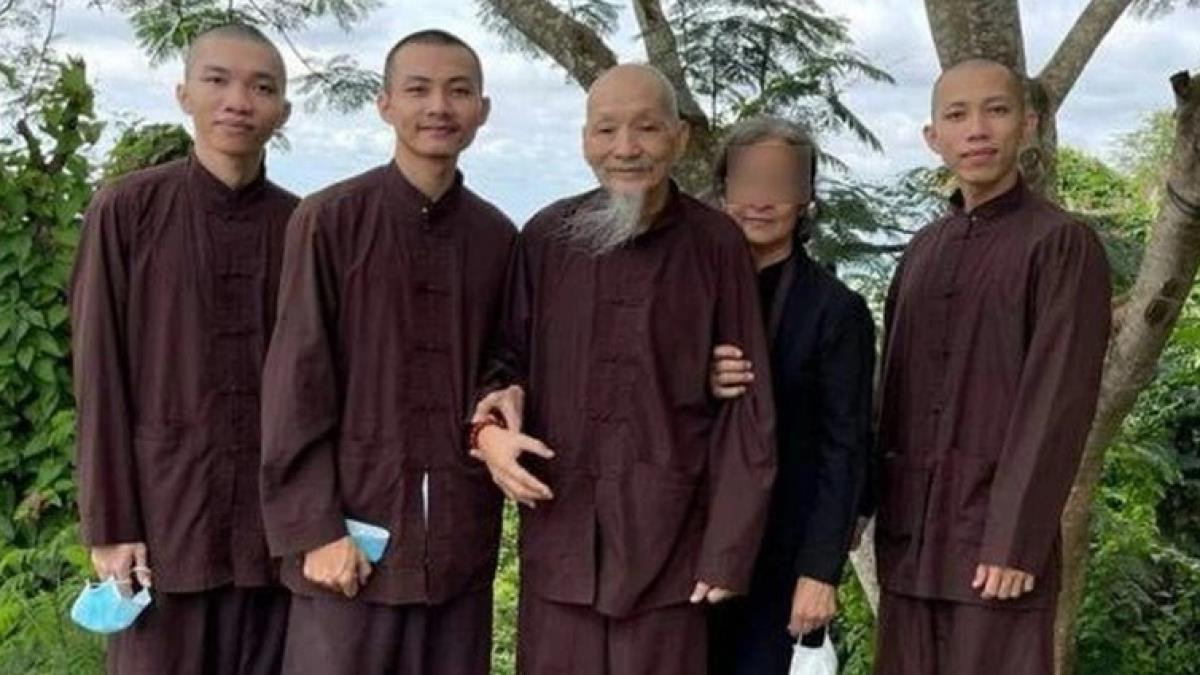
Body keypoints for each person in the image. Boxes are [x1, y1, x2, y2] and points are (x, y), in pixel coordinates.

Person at [471, 63, 776, 675]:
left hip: (671, 540)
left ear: (680, 137)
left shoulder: (716, 243)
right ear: (585, 139)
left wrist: (727, 548)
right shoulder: (547, 236)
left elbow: (749, 406)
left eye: (647, 128)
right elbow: (505, 361)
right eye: (606, 130)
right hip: (560, 529)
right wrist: (490, 433)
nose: (626, 148)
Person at [258, 29, 515, 674]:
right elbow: (296, 383)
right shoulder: (329, 220)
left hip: (456, 541)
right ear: (385, 104)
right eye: (418, 90)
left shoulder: (496, 236)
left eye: (459, 92)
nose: (439, 107)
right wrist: (316, 529)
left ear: (482, 110)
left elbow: (505, 362)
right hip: (348, 539)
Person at [871, 58, 1111, 674]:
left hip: (994, 548)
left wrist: (1015, 538)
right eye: (957, 115)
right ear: (934, 137)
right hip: (909, 539)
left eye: (996, 111)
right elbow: (888, 396)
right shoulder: (922, 250)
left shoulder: (1061, 243)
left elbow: (1058, 401)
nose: (977, 129)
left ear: (1027, 126)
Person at [71, 23, 297, 675]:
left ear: (282, 110)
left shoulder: (302, 224)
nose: (238, 101)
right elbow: (99, 373)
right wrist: (110, 525)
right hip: (164, 522)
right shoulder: (127, 210)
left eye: (261, 88)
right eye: (217, 80)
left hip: (271, 533)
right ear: (184, 94)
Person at [704, 116, 875, 674]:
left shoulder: (836, 310)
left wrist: (820, 572)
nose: (761, 199)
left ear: (805, 198)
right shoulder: (691, 291)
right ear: (723, 190)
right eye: (747, 181)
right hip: (687, 548)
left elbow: (845, 447)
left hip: (781, 556)